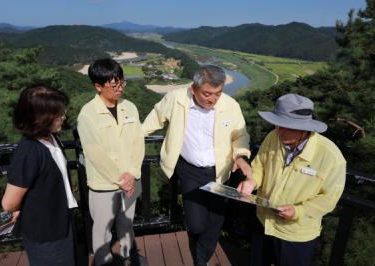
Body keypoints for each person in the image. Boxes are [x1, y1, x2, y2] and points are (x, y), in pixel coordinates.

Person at [143, 65, 251, 266]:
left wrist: (241, 156)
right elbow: (154, 119)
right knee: (196, 224)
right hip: (190, 171)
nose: (212, 99)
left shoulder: (230, 105)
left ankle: (202, 260)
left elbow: (240, 135)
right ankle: (199, 249)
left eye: (218, 94)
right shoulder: (176, 99)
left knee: (216, 221)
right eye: (207, 94)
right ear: (194, 88)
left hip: (220, 172)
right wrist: (133, 138)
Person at [238, 93, 346, 266]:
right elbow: (259, 165)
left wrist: (298, 211)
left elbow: (329, 198)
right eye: (277, 124)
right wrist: (253, 181)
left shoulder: (331, 156)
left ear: (305, 128)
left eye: (286, 126)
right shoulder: (273, 136)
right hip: (263, 221)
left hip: (296, 234)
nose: (278, 130)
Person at [77, 58, 144, 265]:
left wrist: (132, 174)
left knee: (127, 225)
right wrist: (121, 179)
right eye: (114, 84)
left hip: (132, 180)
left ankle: (126, 259)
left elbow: (138, 142)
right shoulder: (88, 114)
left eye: (121, 82)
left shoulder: (130, 107)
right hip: (104, 185)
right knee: (103, 230)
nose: (119, 88)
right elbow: (95, 154)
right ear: (98, 86)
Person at [2, 85, 78, 266]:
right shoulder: (29, 151)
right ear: (40, 118)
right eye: (58, 114)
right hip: (46, 232)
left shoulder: (50, 137)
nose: (63, 117)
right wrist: (19, 208)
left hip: (60, 221)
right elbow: (8, 202)